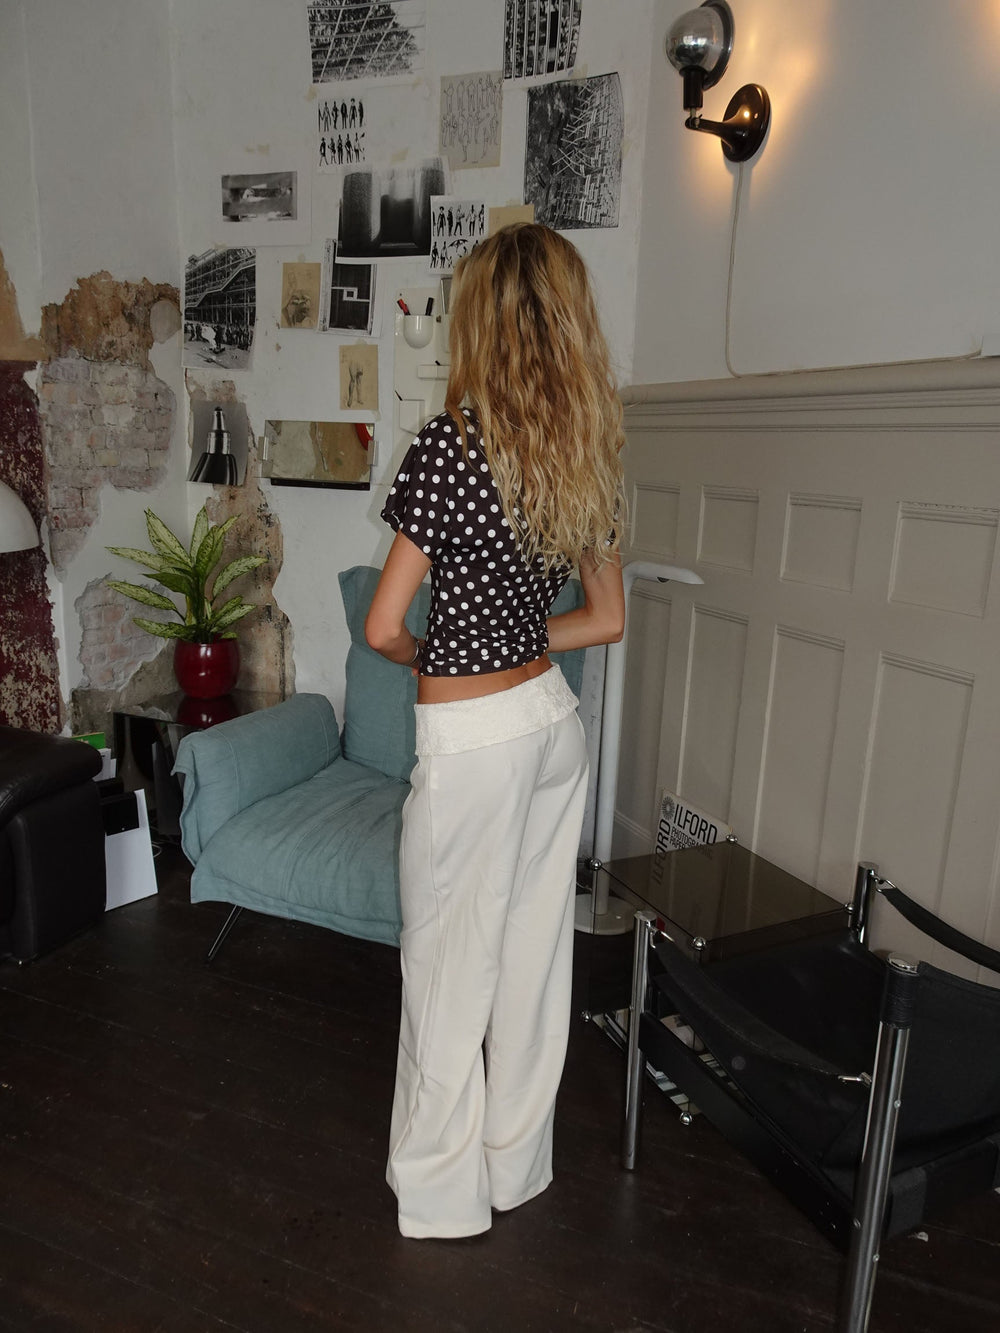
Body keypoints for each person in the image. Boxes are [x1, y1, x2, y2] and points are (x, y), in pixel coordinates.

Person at [365, 223, 626, 1240]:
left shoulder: (451, 445)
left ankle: (441, 1195)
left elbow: (384, 626)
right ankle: (515, 1166)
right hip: (550, 723)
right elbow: (604, 619)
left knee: (446, 966)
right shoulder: (587, 445)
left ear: (483, 319)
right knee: (530, 956)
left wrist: (431, 656)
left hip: (475, 738)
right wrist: (510, 640)